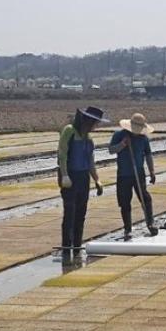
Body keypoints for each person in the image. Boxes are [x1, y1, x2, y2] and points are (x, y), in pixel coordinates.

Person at [57, 106, 108, 263]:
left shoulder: (89, 139)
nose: (96, 126)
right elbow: (62, 154)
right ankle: (67, 249)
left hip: (83, 178)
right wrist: (65, 175)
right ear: (88, 121)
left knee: (81, 214)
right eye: (95, 123)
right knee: (70, 214)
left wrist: (97, 180)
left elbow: (90, 162)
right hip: (70, 178)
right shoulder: (69, 131)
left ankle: (77, 248)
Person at [109, 113, 158, 239]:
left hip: (139, 173)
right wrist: (122, 144)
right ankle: (127, 229)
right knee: (125, 202)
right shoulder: (119, 135)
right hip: (123, 174)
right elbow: (111, 150)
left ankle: (150, 223)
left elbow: (148, 155)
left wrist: (152, 171)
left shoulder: (143, 138)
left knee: (145, 198)